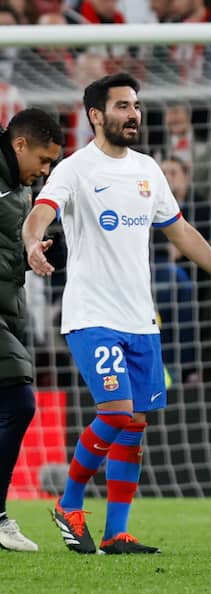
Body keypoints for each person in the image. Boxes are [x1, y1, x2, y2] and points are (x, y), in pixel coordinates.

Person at [22, 73, 211, 555]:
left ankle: (117, 531)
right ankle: (69, 503)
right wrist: (33, 242)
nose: (133, 114)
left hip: (141, 318)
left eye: (135, 105)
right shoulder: (75, 169)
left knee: (135, 424)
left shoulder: (148, 169)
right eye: (122, 106)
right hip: (92, 314)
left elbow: (180, 231)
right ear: (96, 115)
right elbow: (41, 213)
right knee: (116, 413)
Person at [0, 108, 62, 552]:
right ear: (19, 144)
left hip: (10, 308)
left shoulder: (19, 186)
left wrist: (29, 255)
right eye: (43, 159)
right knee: (19, 401)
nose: (46, 171)